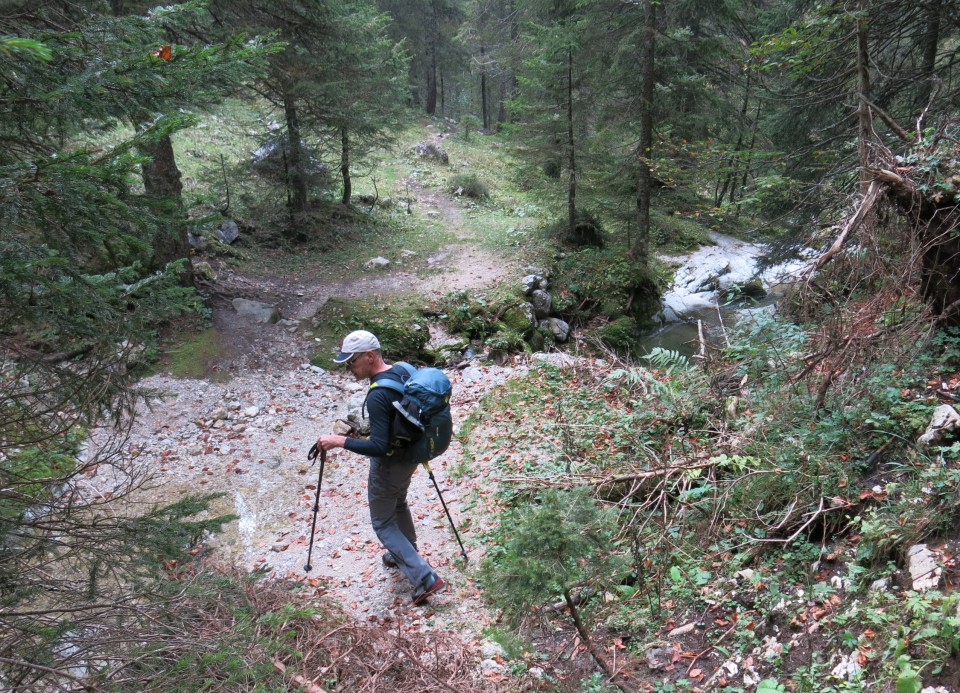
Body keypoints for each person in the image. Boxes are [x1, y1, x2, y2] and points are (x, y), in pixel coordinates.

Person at [314, 329, 446, 606]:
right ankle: (405, 552)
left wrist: (340, 440)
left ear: (370, 356)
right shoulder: (401, 370)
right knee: (398, 502)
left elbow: (379, 447)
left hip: (391, 464)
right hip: (411, 457)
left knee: (383, 523)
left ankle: (425, 578)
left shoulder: (377, 395)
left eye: (352, 361)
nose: (349, 368)